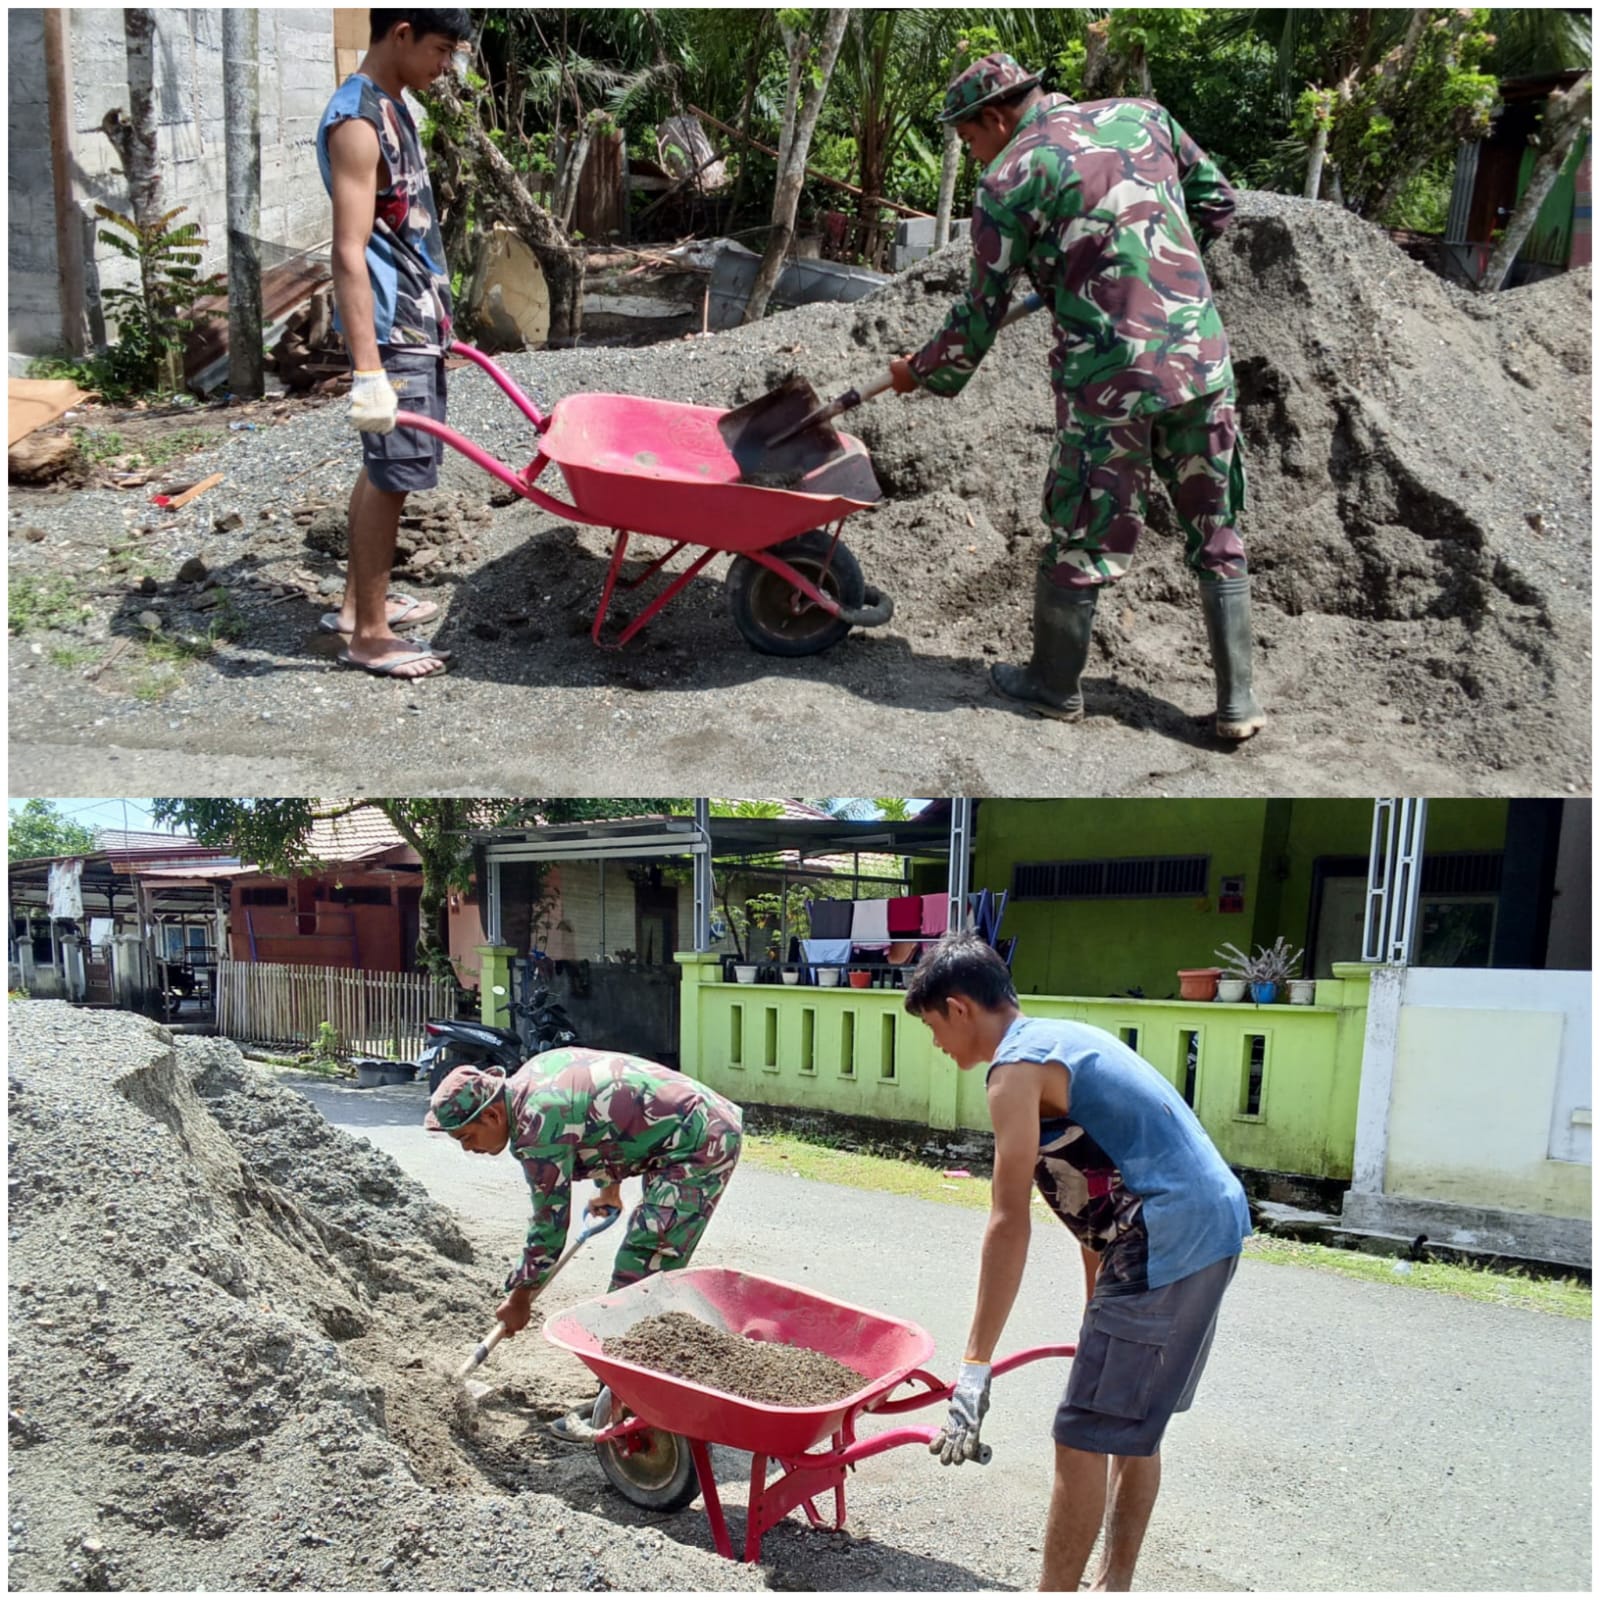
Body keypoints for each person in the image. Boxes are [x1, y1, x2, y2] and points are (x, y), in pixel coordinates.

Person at [888, 53, 1266, 741]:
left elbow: (979, 315)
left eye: (967, 137)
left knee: (1084, 530)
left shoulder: (1009, 179)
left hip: (1108, 381)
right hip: (1200, 362)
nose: (971, 153)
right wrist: (1154, 273)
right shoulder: (1144, 117)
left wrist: (920, 369)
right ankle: (1238, 704)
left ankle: (1053, 686)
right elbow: (1218, 204)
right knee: (1216, 526)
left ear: (995, 117)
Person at [903, 931, 1250, 1592]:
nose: (937, 1044)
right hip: (1210, 1225)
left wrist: (974, 1367)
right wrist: (1098, 1311)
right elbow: (1097, 1200)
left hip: (1163, 1234)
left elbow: (1009, 1221)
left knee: (1082, 1433)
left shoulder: (1013, 1072)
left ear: (959, 1008)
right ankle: (1111, 1586)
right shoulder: (1062, 1040)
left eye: (932, 1027)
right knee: (1132, 1426)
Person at [424, 1047, 744, 1440]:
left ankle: (623, 1409)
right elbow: (603, 1121)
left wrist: (520, 1297)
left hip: (700, 1143)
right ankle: (627, 1391)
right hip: (686, 1131)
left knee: (640, 1274)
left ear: (492, 1115)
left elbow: (549, 1226)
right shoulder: (531, 1081)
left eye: (466, 1136)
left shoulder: (536, 1126)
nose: (467, 1148)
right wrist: (609, 1188)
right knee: (641, 1271)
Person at [315, 8, 473, 679]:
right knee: (392, 478)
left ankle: (358, 608)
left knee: (384, 471)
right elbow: (349, 251)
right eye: (441, 49)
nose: (447, 66)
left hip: (415, 319)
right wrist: (368, 372)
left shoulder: (393, 105)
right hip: (391, 329)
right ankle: (371, 639)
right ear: (401, 33)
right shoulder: (357, 122)